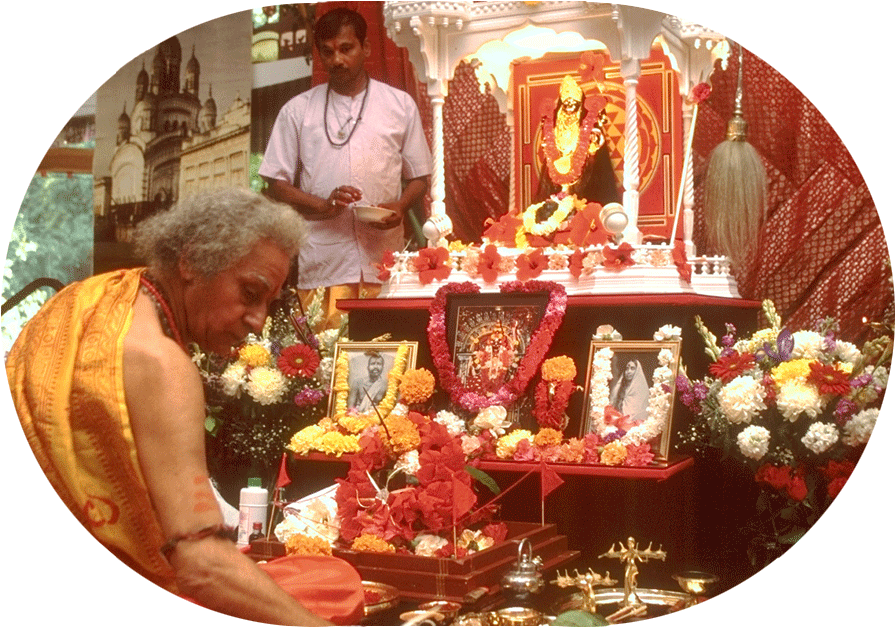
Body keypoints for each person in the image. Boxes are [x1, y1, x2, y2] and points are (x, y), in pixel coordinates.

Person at [7, 188, 363, 625]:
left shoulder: (90, 297)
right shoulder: (163, 365)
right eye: (250, 293)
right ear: (191, 261)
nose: (258, 322)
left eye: (269, 304)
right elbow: (200, 569)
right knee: (336, 588)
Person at [259, 7, 432, 329]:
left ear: (365, 48)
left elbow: (420, 176)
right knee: (327, 360)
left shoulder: (398, 104)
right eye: (327, 52)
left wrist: (400, 205)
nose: (336, 60)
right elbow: (275, 183)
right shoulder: (297, 110)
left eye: (346, 48)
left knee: (389, 350)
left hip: (383, 258)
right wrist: (322, 205)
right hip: (325, 259)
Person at [535, 74, 619, 206]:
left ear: (579, 104)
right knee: (556, 200)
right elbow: (550, 142)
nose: (569, 106)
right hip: (558, 163)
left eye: (573, 102)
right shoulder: (555, 122)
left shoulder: (588, 122)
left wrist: (591, 146)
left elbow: (596, 143)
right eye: (566, 102)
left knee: (582, 199)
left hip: (584, 167)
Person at [608, 359, 650, 428]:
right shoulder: (620, 388)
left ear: (637, 371)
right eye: (627, 368)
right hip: (618, 426)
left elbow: (641, 412)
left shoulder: (641, 390)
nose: (628, 371)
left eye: (632, 368)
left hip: (635, 427)